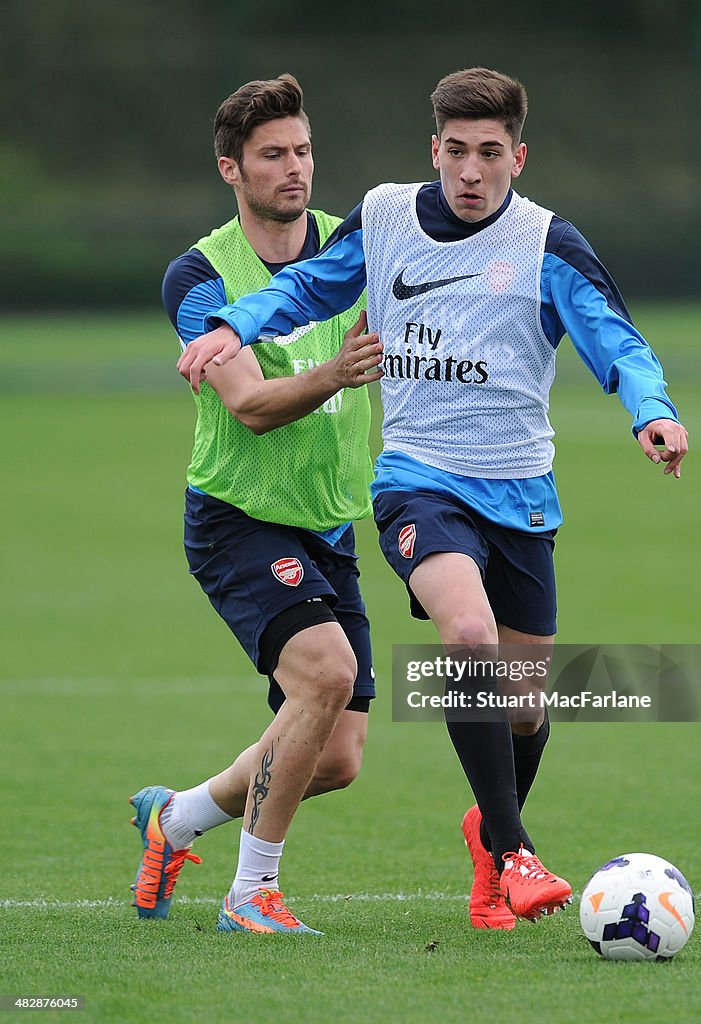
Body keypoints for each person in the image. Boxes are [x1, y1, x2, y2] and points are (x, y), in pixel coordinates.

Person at [177, 67, 689, 930]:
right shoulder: (384, 219)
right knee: (466, 632)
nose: (471, 171)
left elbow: (617, 339)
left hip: (521, 491)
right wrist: (238, 323)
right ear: (435, 151)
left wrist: (653, 411)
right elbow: (308, 286)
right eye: (456, 151)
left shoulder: (546, 245)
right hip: (418, 481)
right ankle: (516, 850)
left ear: (517, 158)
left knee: (524, 705)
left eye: (491, 153)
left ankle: (488, 846)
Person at [130, 75, 383, 936]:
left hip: (330, 516)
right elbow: (248, 403)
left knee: (337, 755)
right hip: (240, 515)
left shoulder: (357, 243)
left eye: (303, 150)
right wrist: (333, 373)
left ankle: (177, 820)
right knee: (327, 676)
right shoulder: (200, 277)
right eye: (272, 155)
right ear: (230, 169)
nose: (294, 168)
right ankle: (252, 894)